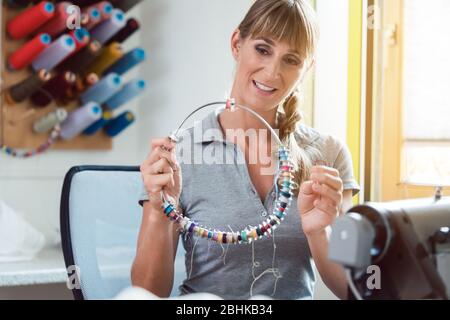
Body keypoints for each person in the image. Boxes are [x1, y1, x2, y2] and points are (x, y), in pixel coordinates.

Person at [132, 0, 360, 300]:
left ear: (307, 70)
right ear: (237, 43)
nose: (272, 72)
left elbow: (355, 289)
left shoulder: (328, 155)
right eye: (263, 50)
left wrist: (320, 233)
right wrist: (160, 210)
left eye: (291, 60)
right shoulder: (180, 154)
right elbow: (147, 293)